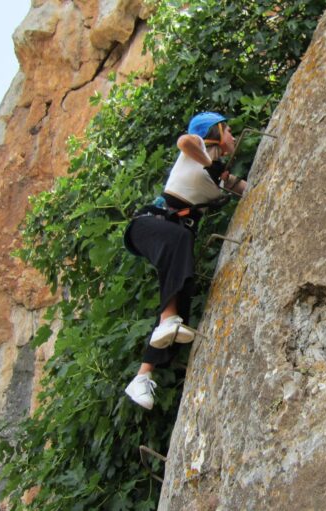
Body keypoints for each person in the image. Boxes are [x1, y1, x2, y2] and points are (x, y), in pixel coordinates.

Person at [122, 112, 246, 409]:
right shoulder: (195, 150)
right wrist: (210, 165)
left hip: (176, 235)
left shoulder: (220, 175)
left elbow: (245, 189)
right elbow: (185, 141)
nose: (233, 135)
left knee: (180, 298)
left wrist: (228, 178)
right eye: (228, 130)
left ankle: (142, 377)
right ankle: (167, 322)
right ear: (215, 132)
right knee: (179, 240)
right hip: (150, 224)